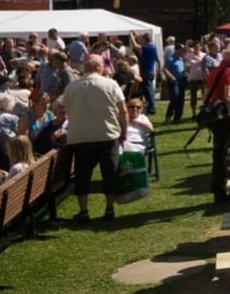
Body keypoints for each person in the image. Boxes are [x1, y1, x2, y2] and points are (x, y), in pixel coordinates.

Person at [63, 55, 128, 222]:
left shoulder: (71, 87)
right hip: (107, 135)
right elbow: (123, 110)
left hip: (81, 137)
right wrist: (124, 132)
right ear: (99, 67)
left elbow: (65, 108)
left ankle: (83, 211)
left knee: (82, 175)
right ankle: (109, 208)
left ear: (85, 68)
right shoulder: (111, 84)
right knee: (110, 173)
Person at [205, 43, 230, 203]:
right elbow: (228, 95)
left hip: (218, 118)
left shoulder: (215, 71)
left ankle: (218, 190)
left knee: (219, 153)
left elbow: (206, 94)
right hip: (228, 118)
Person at [129, 31, 160, 115]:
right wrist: (136, 34)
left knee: (148, 91)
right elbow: (142, 41)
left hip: (146, 71)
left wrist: (132, 37)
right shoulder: (153, 46)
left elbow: (136, 46)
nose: (141, 40)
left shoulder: (146, 47)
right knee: (148, 90)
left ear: (145, 40)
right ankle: (150, 106)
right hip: (150, 71)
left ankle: (151, 108)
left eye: (142, 39)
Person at [162, 43, 187, 123]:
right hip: (174, 81)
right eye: (181, 50)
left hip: (181, 80)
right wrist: (171, 77)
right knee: (174, 98)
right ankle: (168, 116)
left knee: (181, 98)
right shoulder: (170, 59)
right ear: (177, 50)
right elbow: (164, 69)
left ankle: (178, 117)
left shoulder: (181, 59)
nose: (183, 52)